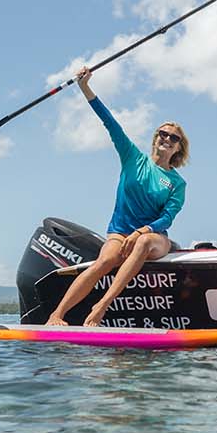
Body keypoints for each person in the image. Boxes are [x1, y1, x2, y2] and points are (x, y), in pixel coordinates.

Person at [43, 66, 189, 326]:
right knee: (106, 260)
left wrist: (143, 230)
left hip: (154, 238)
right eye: (163, 134)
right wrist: (85, 87)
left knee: (143, 243)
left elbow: (167, 218)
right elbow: (109, 122)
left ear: (178, 147)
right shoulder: (132, 157)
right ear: (156, 138)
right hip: (120, 233)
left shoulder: (177, 183)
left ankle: (101, 307)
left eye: (174, 137)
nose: (167, 138)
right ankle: (57, 315)